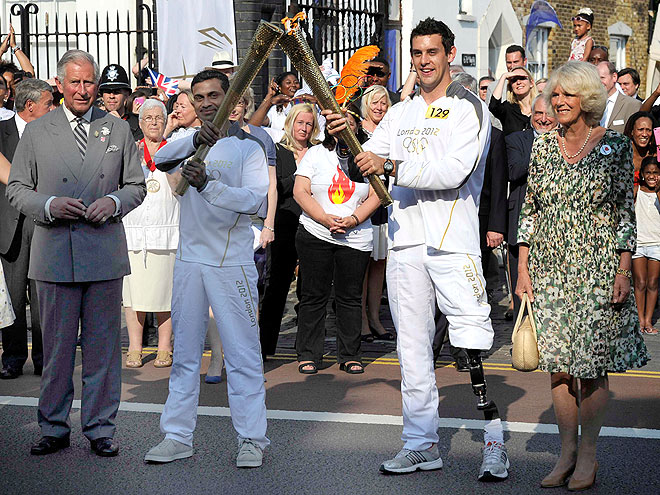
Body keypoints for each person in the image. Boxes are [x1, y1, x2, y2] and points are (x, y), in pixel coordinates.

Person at [325, 17, 509, 481]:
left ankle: (494, 439)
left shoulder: (469, 108)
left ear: (449, 54)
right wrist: (348, 139)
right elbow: (368, 158)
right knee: (412, 348)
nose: (424, 61)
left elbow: (452, 172)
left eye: (432, 52)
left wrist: (389, 164)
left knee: (471, 346)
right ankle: (420, 443)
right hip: (407, 242)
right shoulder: (402, 111)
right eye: (417, 53)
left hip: (452, 242)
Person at [516, 61, 649, 491]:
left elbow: (623, 214)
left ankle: (588, 454)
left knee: (590, 367)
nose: (559, 101)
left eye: (568, 95)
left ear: (587, 99)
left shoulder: (612, 146)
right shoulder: (542, 147)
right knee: (556, 368)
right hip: (549, 268)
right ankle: (566, 453)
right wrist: (522, 266)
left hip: (598, 268)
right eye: (555, 94)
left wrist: (624, 268)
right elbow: (531, 209)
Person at [7, 49, 146, 457]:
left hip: (102, 253)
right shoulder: (37, 131)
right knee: (56, 350)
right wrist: (49, 206)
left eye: (90, 82)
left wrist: (115, 203)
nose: (83, 90)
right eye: (75, 82)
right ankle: (53, 426)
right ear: (59, 84)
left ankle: (101, 428)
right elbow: (17, 189)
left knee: (104, 349)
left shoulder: (117, 129)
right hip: (54, 255)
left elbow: (136, 185)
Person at [144, 69, 270, 468]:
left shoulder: (251, 148)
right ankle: (178, 435)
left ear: (231, 99)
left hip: (230, 264)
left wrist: (206, 186)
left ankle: (252, 439)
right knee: (184, 354)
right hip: (189, 262)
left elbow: (253, 201)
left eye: (215, 95)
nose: (207, 103)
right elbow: (160, 157)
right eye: (199, 97)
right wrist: (193, 141)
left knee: (242, 355)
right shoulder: (188, 144)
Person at [293, 110, 380, 374]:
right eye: (335, 124)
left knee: (350, 297)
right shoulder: (316, 154)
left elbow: (377, 193)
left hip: (355, 236)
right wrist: (323, 218)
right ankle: (308, 354)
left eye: (348, 124)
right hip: (316, 232)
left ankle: (350, 355)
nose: (342, 128)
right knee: (313, 295)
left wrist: (354, 219)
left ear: (356, 127)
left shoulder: (368, 154)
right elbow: (300, 190)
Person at [0, 78, 53, 380]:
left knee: (45, 295)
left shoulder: (54, 135)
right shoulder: (1, 132)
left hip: (44, 224)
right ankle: (13, 357)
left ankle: (45, 359)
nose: (54, 108)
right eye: (49, 104)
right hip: (9, 227)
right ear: (30, 106)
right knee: (13, 297)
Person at [259, 103, 322, 358]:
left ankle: (306, 349)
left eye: (309, 124)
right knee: (276, 287)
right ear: (290, 124)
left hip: (312, 225)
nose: (304, 128)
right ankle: (264, 347)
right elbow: (274, 189)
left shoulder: (319, 152)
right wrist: (301, 175)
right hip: (284, 225)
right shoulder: (278, 152)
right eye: (300, 123)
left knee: (310, 290)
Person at [122, 99, 178, 368]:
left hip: (167, 231)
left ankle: (164, 346)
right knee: (134, 295)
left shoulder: (176, 152)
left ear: (166, 121)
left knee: (164, 294)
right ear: (140, 123)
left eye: (159, 117)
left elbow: (181, 189)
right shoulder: (130, 152)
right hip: (134, 232)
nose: (154, 122)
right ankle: (135, 346)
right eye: (149, 118)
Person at [505, 95, 557, 318]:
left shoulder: (567, 142)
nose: (543, 119)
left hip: (555, 225)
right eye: (538, 114)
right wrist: (543, 148)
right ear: (531, 116)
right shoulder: (516, 140)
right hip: (521, 222)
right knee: (521, 287)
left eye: (548, 115)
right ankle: (522, 340)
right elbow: (514, 171)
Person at [359, 87, 394, 340]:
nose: (380, 107)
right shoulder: (357, 131)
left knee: (379, 263)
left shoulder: (391, 132)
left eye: (384, 102)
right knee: (362, 265)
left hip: (385, 206)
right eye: (375, 102)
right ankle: (360, 320)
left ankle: (374, 317)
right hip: (360, 204)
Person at [632, 157, 660, 335]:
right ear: (642, 174)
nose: (652, 176)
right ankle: (639, 319)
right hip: (639, 244)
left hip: (657, 243)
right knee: (640, 282)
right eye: (648, 173)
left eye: (656, 173)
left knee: (653, 282)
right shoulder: (636, 192)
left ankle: (649, 320)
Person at [249, 71, 301, 142]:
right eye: (288, 83)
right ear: (279, 87)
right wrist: (269, 96)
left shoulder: (304, 106)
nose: (293, 85)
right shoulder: (274, 109)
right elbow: (261, 122)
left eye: (296, 82)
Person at [98, 64, 143, 140]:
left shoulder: (138, 123)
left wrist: (121, 126)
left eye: (116, 92)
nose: (111, 96)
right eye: (108, 92)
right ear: (102, 96)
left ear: (126, 95)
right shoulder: (94, 121)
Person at [490, 65, 537, 135]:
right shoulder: (508, 108)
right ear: (511, 87)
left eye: (522, 78)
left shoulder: (540, 107)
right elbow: (493, 106)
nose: (518, 82)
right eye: (514, 80)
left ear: (531, 83)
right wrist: (504, 77)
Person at [597, 61, 641, 134]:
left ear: (614, 77)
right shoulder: (592, 103)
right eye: (597, 78)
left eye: (602, 78)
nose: (599, 82)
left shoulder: (632, 105)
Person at [623, 111, 656, 186]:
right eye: (640, 129)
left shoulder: (656, 155)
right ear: (632, 131)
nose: (644, 134)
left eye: (648, 130)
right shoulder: (621, 154)